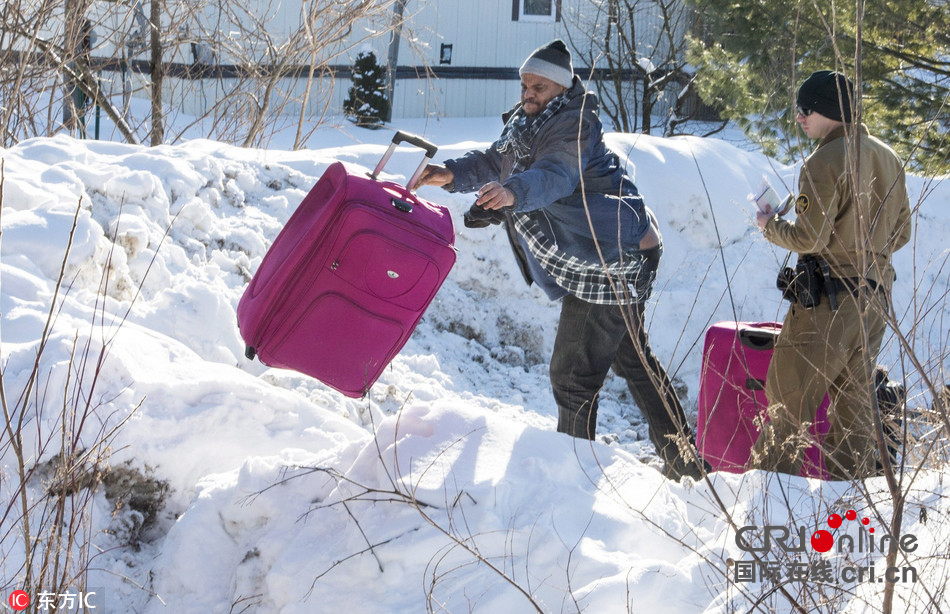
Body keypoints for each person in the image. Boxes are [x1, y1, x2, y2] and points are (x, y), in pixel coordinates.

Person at [414, 40, 704, 480]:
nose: (528, 93)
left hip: (613, 259)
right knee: (633, 361)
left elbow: (555, 175)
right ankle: (686, 463)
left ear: (561, 88)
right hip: (609, 251)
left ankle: (570, 478)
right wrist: (451, 173)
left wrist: (514, 193)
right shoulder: (528, 123)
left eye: (539, 86)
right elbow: (497, 160)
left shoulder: (573, 125)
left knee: (572, 376)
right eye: (525, 84)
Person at [749, 70, 912, 480]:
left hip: (829, 302)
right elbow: (903, 233)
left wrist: (770, 226)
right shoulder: (888, 157)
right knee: (854, 409)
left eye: (805, 110)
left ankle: (768, 504)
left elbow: (809, 237)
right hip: (874, 300)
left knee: (787, 402)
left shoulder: (823, 161)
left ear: (829, 111)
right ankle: (848, 508)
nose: (799, 118)